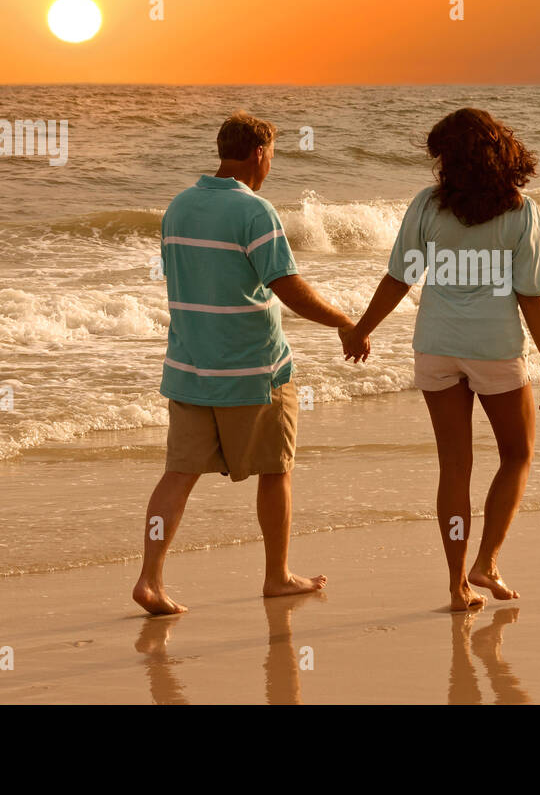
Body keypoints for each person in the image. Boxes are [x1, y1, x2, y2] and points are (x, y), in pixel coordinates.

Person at [133, 110, 369, 615]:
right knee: (275, 470)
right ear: (260, 153)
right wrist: (345, 323)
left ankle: (149, 579)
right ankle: (277, 577)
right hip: (253, 369)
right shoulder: (255, 211)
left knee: (177, 474)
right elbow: (289, 289)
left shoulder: (178, 206)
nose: (271, 166)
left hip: (189, 367)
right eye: (273, 156)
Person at [341, 108, 540, 612]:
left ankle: (458, 585)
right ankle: (488, 562)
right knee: (518, 454)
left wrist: (362, 329)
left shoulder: (426, 206)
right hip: (495, 347)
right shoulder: (518, 210)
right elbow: (531, 292)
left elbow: (401, 277)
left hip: (436, 346)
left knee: (454, 466)